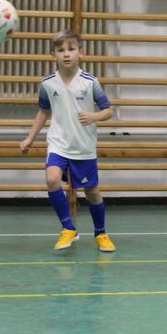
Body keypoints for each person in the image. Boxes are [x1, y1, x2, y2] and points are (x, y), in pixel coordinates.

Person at [20, 29, 116, 252]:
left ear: (81, 53)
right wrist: (30, 138)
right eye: (60, 50)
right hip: (58, 143)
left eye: (71, 49)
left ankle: (101, 233)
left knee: (92, 192)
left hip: (83, 146)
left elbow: (109, 110)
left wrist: (93, 116)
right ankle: (68, 228)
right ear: (53, 55)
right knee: (52, 179)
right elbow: (44, 111)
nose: (66, 54)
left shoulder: (90, 82)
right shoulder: (48, 83)